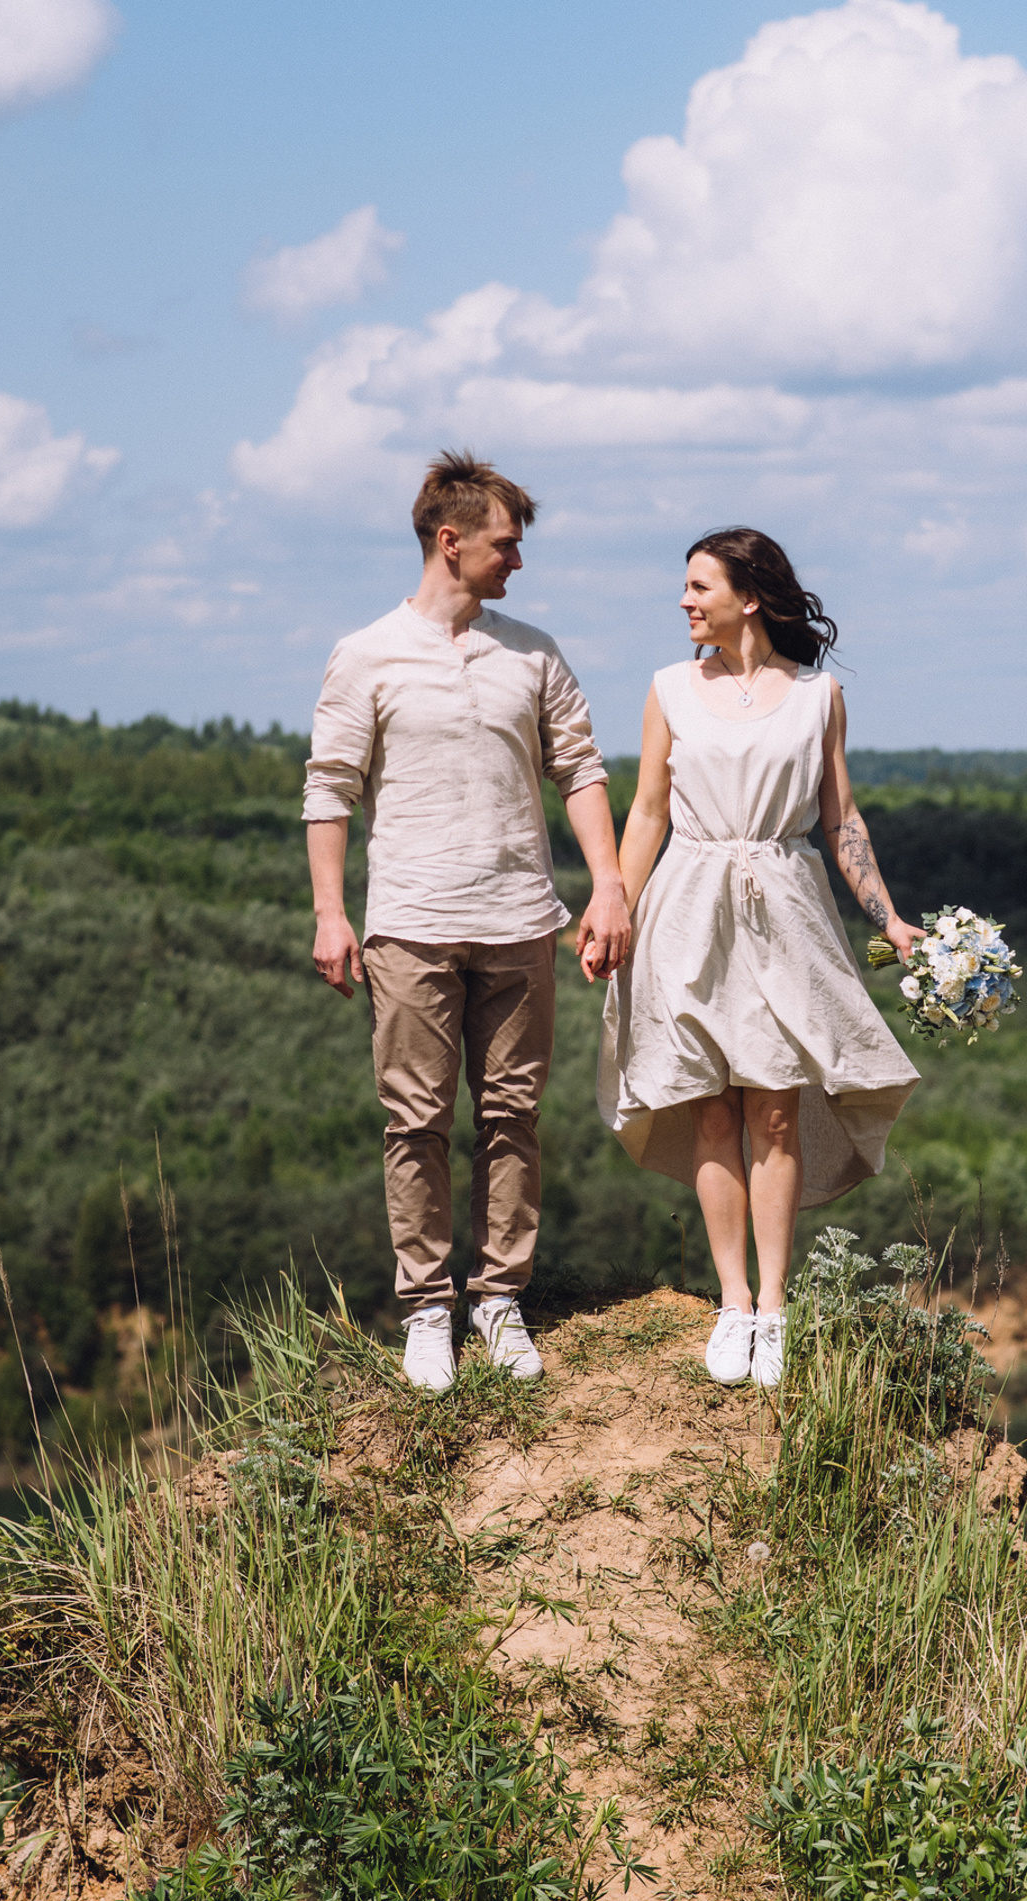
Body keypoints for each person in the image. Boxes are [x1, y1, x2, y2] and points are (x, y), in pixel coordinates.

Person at [305, 451, 632, 1394]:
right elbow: (329, 789)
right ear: (450, 544)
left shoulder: (532, 650)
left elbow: (581, 766)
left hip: (522, 918)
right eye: (504, 546)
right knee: (414, 1120)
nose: (516, 563)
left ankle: (499, 1299)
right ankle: (425, 1311)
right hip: (407, 920)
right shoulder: (364, 652)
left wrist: (606, 885)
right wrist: (332, 914)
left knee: (511, 1115)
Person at [597, 527, 920, 1388]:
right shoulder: (669, 688)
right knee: (708, 1106)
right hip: (689, 910)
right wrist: (615, 913)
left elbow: (840, 817)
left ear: (750, 596)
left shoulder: (820, 697)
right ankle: (732, 1304)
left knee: (774, 1109)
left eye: (699, 585)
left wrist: (888, 919)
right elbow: (647, 814)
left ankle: (773, 1310)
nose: (684, 600)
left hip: (784, 911)